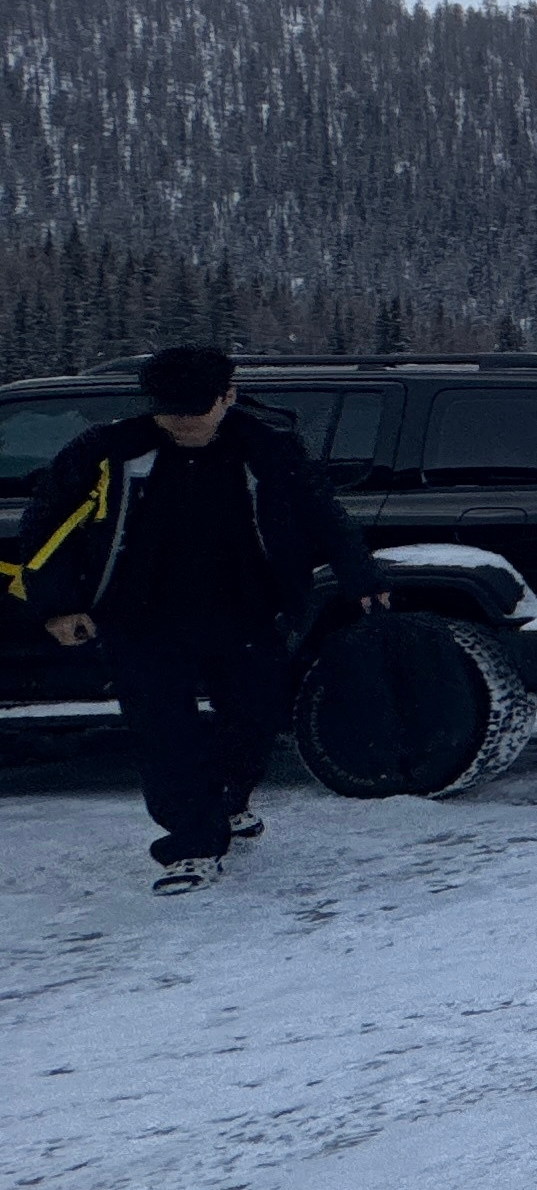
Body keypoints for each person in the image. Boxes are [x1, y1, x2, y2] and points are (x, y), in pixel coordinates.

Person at [20, 348, 385, 895]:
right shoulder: (109, 452)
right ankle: (190, 846)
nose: (185, 423)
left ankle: (229, 798)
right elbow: (46, 528)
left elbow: (323, 513)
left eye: (198, 409)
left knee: (255, 720)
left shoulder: (267, 448)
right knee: (163, 732)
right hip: (139, 619)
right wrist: (57, 605)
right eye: (173, 412)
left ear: (228, 396)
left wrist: (362, 576)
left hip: (246, 613)